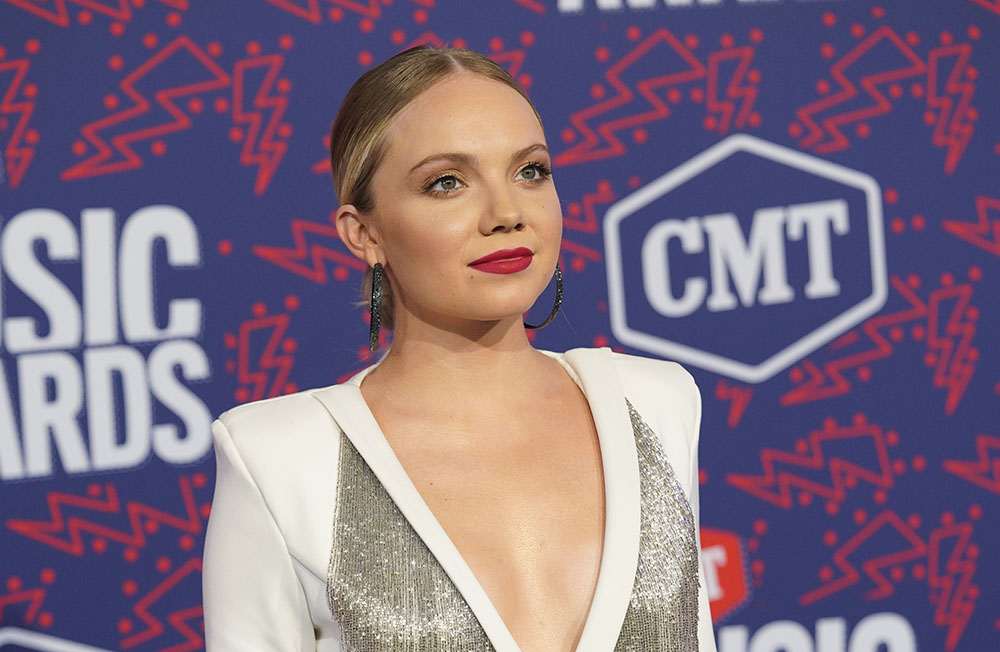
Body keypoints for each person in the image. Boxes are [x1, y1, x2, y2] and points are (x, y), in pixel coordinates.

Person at [202, 45, 718, 652]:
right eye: (447, 183)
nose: (506, 213)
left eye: (531, 172)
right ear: (363, 233)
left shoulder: (658, 402)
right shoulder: (277, 459)